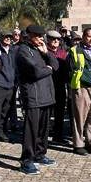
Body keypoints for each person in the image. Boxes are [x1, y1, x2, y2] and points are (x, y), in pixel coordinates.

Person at [15, 25, 59, 173]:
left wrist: (47, 54)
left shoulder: (42, 49)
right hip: (33, 95)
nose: (41, 39)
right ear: (29, 36)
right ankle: (27, 160)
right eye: (38, 36)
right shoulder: (23, 51)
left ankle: (40, 154)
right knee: (31, 130)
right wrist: (49, 69)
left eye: (42, 36)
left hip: (47, 94)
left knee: (43, 129)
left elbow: (56, 65)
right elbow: (34, 72)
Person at [67, 28, 91, 155]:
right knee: (79, 117)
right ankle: (78, 144)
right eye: (89, 36)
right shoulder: (75, 50)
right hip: (82, 88)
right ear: (83, 37)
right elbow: (71, 69)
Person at [0, 30, 17, 148]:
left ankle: (1, 132)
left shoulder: (13, 51)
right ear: (1, 38)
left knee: (5, 112)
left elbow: (16, 68)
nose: (8, 39)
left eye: (9, 37)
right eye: (6, 37)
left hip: (11, 86)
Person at [45, 30, 69, 144]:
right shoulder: (43, 52)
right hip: (47, 86)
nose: (55, 41)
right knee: (47, 113)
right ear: (47, 39)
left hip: (60, 86)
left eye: (58, 39)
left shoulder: (62, 52)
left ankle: (58, 136)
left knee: (59, 112)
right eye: (53, 39)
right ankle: (43, 136)